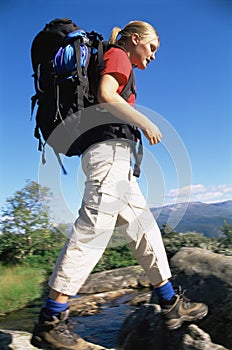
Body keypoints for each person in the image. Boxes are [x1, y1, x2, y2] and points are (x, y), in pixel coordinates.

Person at [31, 20, 208, 349]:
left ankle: (170, 304)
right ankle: (52, 319)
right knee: (96, 225)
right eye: (152, 47)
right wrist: (146, 122)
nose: (153, 56)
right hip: (108, 152)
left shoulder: (121, 58)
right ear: (136, 40)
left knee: (144, 229)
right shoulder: (119, 55)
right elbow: (106, 94)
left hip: (118, 158)